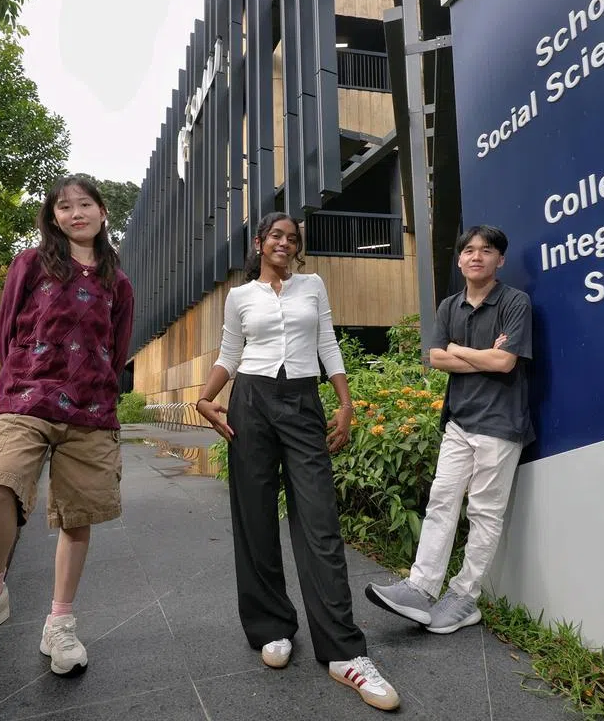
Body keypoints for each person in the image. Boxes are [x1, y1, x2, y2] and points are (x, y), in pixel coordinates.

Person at [0, 174, 134, 677]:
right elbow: (6, 331)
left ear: (103, 213)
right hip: (25, 395)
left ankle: (59, 623)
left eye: (85, 204)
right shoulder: (31, 263)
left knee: (77, 516)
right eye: (65, 207)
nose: (75, 213)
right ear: (53, 217)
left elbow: (119, 346)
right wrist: (27, 377)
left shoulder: (117, 282)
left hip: (90, 410)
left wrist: (93, 384)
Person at [195, 212, 401, 712]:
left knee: (320, 522)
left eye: (293, 237)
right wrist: (204, 398)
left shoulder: (313, 285)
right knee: (255, 518)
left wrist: (346, 402)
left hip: (304, 401)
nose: (285, 242)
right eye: (276, 236)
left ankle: (343, 651)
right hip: (251, 401)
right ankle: (271, 626)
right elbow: (230, 352)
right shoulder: (240, 297)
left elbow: (327, 343)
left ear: (297, 247)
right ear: (260, 243)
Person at [366, 225, 533, 634]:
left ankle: (464, 597)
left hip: (500, 421)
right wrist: (477, 353)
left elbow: (505, 364)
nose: (477, 256)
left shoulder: (515, 302)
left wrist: (458, 350)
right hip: (459, 419)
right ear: (459, 260)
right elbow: (436, 358)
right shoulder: (448, 306)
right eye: (469, 250)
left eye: (487, 250)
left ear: (500, 259)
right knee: (441, 499)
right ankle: (421, 588)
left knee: (484, 511)